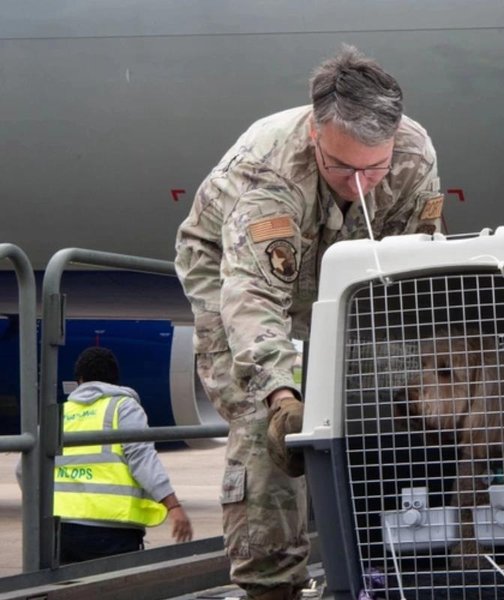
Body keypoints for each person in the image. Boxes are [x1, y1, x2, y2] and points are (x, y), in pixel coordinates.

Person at [174, 45, 444, 600]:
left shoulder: (414, 155)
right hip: (231, 274)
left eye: (376, 168)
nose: (362, 185)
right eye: (343, 167)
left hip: (338, 274)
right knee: (266, 425)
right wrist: (281, 392)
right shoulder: (268, 170)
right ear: (317, 135)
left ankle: (385, 560)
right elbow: (251, 296)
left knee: (388, 395)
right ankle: (270, 583)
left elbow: (413, 272)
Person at [53, 347, 193, 564]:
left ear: (79, 380)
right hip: (112, 529)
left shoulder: (60, 414)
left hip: (61, 529)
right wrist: (173, 506)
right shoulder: (123, 407)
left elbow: (25, 468)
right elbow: (142, 458)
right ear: (114, 379)